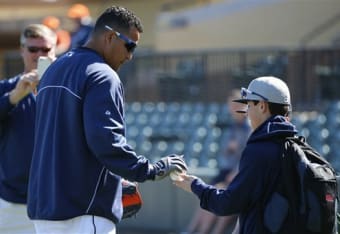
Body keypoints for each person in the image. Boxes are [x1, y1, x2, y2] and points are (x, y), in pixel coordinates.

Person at [27, 6, 187, 234]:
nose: (130, 55)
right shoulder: (102, 74)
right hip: (84, 211)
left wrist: (114, 180)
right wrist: (149, 169)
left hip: (45, 209)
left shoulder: (54, 70)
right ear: (111, 36)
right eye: (130, 46)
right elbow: (105, 140)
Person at [175, 76, 298, 234]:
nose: (246, 111)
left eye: (249, 104)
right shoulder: (299, 146)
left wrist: (194, 185)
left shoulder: (259, 150)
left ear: (262, 106)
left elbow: (227, 204)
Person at [0, 24, 57, 234]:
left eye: (46, 50)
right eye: (33, 49)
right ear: (22, 50)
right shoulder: (6, 88)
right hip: (12, 204)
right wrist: (15, 96)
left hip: (55, 200)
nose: (39, 55)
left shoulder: (66, 91)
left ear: (55, 51)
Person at [186, 89, 251, 234]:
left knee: (218, 198)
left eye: (236, 106)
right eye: (231, 106)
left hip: (238, 175)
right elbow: (226, 154)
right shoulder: (233, 127)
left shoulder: (249, 128)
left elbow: (249, 158)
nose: (233, 110)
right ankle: (191, 231)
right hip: (227, 172)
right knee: (205, 200)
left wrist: (235, 172)